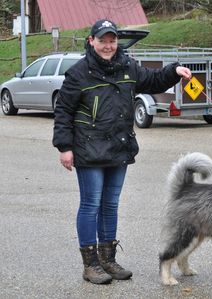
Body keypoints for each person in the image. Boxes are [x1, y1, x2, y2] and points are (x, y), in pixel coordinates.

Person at [52, 19, 191, 284]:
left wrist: (175, 71)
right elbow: (64, 111)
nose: (108, 46)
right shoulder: (78, 73)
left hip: (119, 146)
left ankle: (108, 259)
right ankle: (90, 264)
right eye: (102, 40)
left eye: (112, 40)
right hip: (89, 148)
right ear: (92, 41)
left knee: (111, 205)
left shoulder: (128, 66)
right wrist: (65, 147)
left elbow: (153, 81)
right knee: (91, 204)